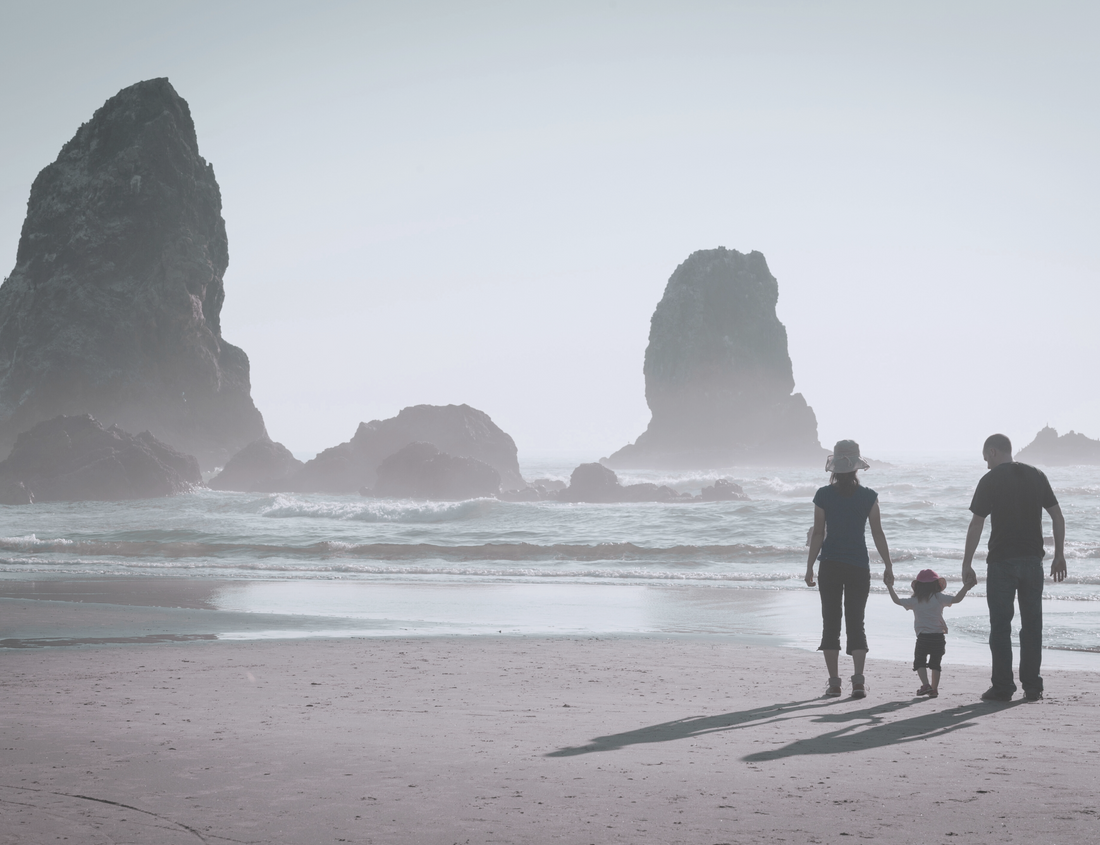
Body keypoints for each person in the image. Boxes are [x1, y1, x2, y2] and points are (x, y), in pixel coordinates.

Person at [961, 433, 1067, 702]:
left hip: (1001, 562)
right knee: (1032, 625)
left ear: (993, 452)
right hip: (1032, 561)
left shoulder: (990, 479)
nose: (986, 464)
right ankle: (1032, 687)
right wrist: (1059, 555)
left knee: (1000, 626)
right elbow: (1057, 516)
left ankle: (1003, 687)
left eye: (986, 458)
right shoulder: (1037, 475)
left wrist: (967, 563)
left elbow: (976, 523)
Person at [806, 439, 895, 699]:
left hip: (830, 565)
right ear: (856, 466)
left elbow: (818, 533)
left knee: (830, 622)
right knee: (857, 622)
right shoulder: (869, 496)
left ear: (834, 466)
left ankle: (834, 683)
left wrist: (810, 566)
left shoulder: (823, 495)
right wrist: (888, 564)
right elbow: (878, 533)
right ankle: (858, 682)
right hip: (858, 566)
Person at [886, 569, 972, 697]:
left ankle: (926, 685)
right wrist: (966, 586)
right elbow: (956, 599)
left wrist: (889, 586)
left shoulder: (915, 600)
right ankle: (934, 689)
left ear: (918, 586)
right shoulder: (939, 597)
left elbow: (897, 600)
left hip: (923, 637)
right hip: (938, 637)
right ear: (937, 585)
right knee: (935, 664)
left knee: (920, 661)